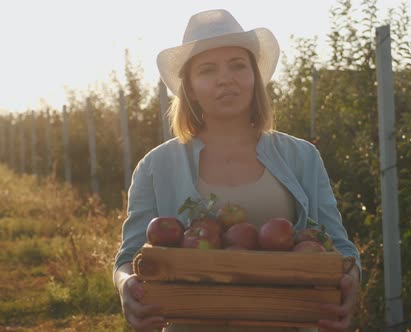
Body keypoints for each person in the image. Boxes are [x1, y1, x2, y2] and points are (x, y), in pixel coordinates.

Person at [112, 9, 361, 332]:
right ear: (189, 87)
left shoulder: (302, 157)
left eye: (238, 65)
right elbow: (129, 258)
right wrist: (126, 287)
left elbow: (340, 247)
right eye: (207, 70)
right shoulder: (156, 167)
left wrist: (351, 281)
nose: (224, 78)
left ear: (255, 76)